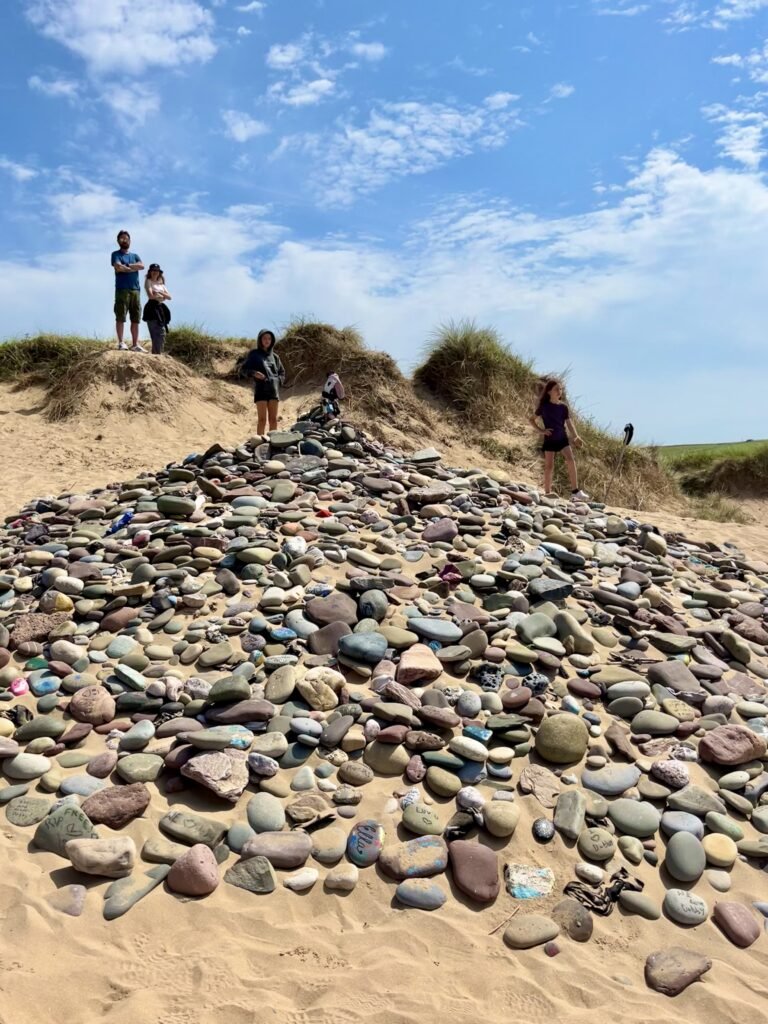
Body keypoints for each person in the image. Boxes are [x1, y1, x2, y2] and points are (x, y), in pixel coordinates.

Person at [529, 378, 589, 500]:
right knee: (549, 466)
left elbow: (569, 422)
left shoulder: (563, 407)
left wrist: (576, 436)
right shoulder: (544, 407)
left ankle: (575, 491)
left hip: (562, 437)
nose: (559, 391)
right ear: (549, 391)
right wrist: (541, 431)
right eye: (556, 389)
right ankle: (547, 493)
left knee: (571, 460)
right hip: (550, 438)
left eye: (560, 389)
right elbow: (531, 419)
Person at [242, 329, 286, 437]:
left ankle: (274, 442)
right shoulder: (254, 354)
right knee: (262, 419)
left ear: (272, 340)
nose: (267, 340)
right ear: (260, 340)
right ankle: (259, 443)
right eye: (264, 338)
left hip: (273, 390)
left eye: (269, 338)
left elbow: (282, 373)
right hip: (261, 388)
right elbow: (244, 370)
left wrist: (277, 381)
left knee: (273, 420)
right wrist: (254, 373)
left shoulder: (275, 357)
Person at [111, 230, 145, 351]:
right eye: (122, 238)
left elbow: (142, 266)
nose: (124, 240)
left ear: (130, 240)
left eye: (126, 238)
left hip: (135, 289)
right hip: (122, 289)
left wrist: (128, 266)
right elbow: (118, 267)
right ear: (118, 241)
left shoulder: (134, 255)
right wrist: (131, 267)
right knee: (120, 316)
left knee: (136, 318)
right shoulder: (115, 254)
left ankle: (135, 344)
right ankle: (121, 342)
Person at [142, 263, 172, 354]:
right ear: (150, 272)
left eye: (157, 271)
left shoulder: (161, 285)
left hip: (160, 307)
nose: (155, 272)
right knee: (156, 331)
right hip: (152, 307)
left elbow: (169, 297)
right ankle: (157, 353)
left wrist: (159, 293)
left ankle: (157, 353)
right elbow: (151, 296)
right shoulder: (148, 281)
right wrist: (161, 296)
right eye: (153, 271)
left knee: (161, 331)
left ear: (159, 272)